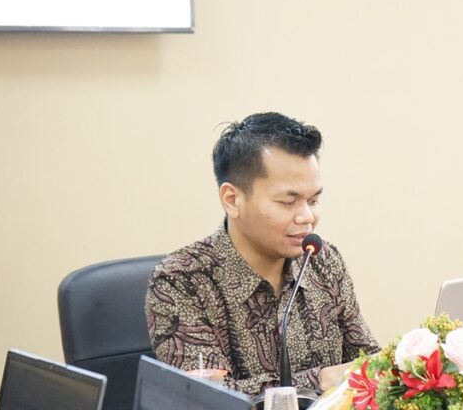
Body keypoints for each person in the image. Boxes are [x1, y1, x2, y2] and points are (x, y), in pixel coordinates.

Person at [146, 112, 378, 395]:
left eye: (313, 200)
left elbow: (367, 364)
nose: (307, 217)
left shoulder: (322, 260)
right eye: (288, 202)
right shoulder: (181, 281)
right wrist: (320, 380)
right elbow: (203, 397)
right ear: (232, 200)